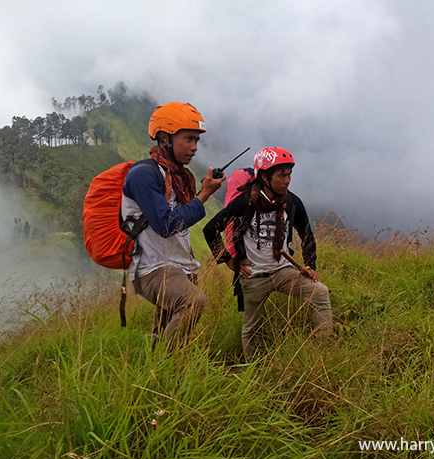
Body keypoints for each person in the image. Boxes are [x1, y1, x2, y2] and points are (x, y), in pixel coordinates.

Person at [203, 147, 333, 361]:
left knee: (319, 293)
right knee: (250, 328)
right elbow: (210, 229)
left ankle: (322, 353)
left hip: (283, 271)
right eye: (281, 175)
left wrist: (310, 266)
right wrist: (230, 261)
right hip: (253, 276)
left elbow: (307, 235)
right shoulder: (245, 202)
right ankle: (252, 371)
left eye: (290, 174)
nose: (287, 180)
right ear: (264, 176)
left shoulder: (291, 202)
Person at [121, 102, 224, 351]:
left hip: (179, 266)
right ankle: (163, 371)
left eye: (197, 140)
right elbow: (166, 225)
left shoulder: (178, 176)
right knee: (192, 302)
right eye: (188, 139)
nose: (194, 148)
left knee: (166, 335)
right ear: (165, 137)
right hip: (153, 268)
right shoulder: (143, 175)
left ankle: (160, 378)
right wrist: (203, 197)